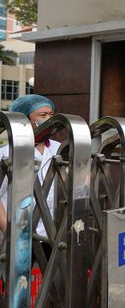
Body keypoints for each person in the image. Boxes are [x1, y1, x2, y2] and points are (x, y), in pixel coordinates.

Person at [0, 95, 59, 250]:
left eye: (51, 115)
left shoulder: (59, 148)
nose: (48, 119)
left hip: (50, 234)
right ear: (25, 119)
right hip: (17, 235)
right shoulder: (6, 153)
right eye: (42, 115)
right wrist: (9, 232)